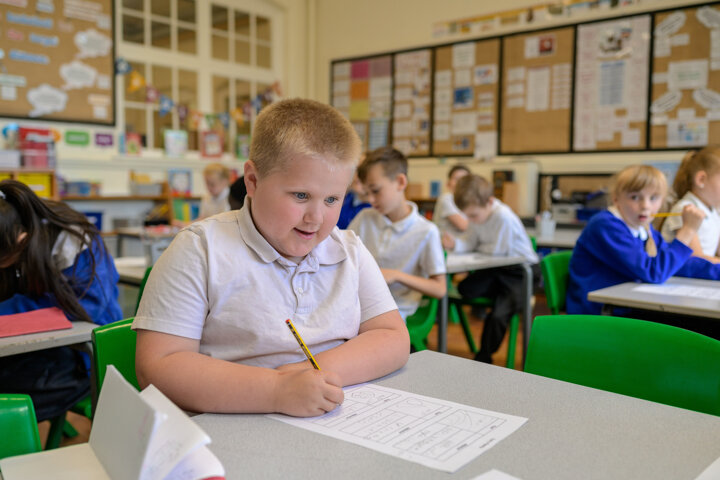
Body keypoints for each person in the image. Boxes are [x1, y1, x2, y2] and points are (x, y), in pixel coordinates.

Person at [133, 99, 409, 417]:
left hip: (328, 418)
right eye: (301, 195)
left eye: (332, 199)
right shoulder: (199, 249)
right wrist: (276, 390)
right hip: (231, 426)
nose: (316, 218)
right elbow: (159, 366)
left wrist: (307, 374)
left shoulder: (349, 250)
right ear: (252, 181)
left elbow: (393, 337)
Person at [0, 179, 122, 421]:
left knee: (10, 397)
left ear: (21, 241)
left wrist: (8, 309)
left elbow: (85, 308)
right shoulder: (13, 227)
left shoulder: (73, 241)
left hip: (83, 353)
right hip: (40, 346)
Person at [567, 165, 720, 322]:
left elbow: (675, 264)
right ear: (616, 199)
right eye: (635, 197)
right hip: (599, 313)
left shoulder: (643, 228)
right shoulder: (605, 225)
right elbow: (653, 272)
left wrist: (716, 271)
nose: (646, 206)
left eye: (653, 198)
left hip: (627, 306)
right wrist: (688, 230)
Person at [441, 174, 539, 364]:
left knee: (498, 315)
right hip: (496, 269)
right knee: (466, 289)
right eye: (467, 216)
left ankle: (484, 355)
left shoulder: (503, 216)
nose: (471, 220)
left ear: (490, 202)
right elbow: (471, 242)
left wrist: (477, 247)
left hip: (521, 273)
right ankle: (502, 296)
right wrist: (455, 244)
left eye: (473, 216)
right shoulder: (477, 214)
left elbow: (497, 251)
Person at [348, 147, 446, 321]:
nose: (370, 200)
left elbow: (439, 289)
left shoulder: (426, 231)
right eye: (367, 193)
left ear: (400, 182)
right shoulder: (365, 218)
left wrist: (396, 275)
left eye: (375, 191)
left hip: (395, 309)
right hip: (357, 303)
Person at [661, 148, 720, 263]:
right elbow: (697, 259)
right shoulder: (686, 210)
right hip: (688, 272)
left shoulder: (712, 211)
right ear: (701, 179)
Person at [433, 164, 470, 236]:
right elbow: (463, 226)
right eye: (457, 179)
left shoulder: (469, 200)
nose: (461, 182)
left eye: (464, 179)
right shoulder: (446, 198)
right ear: (448, 183)